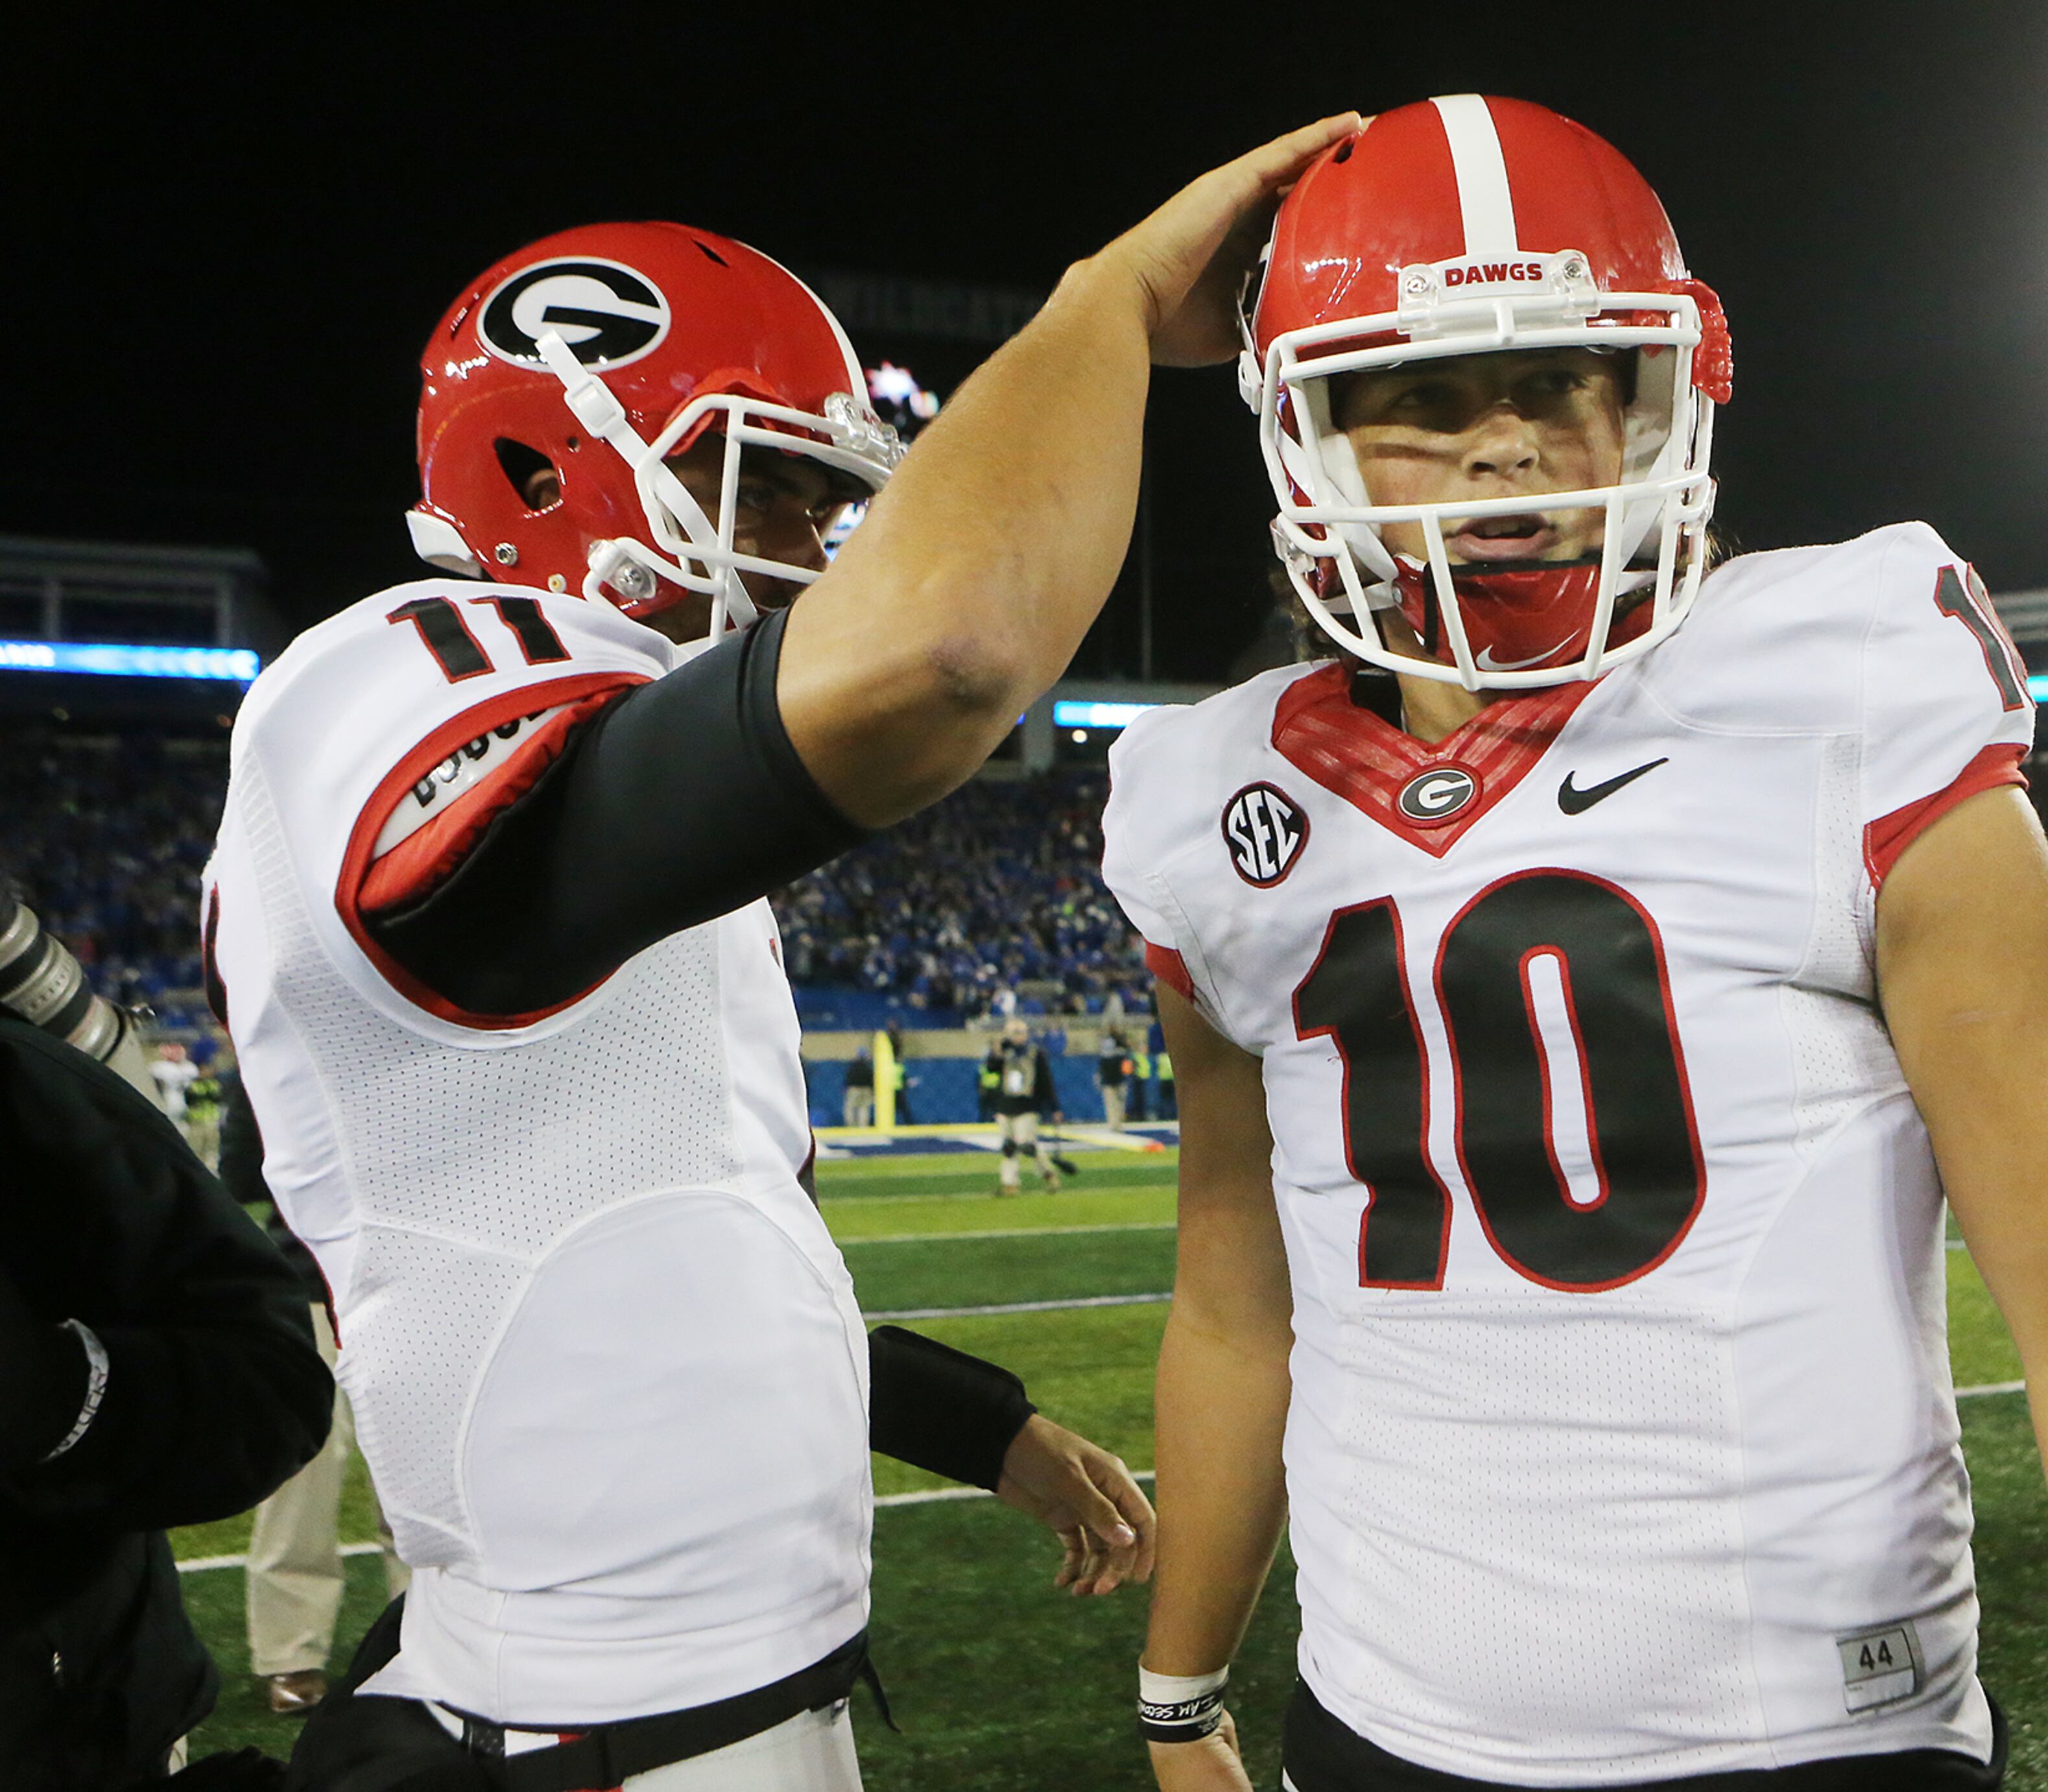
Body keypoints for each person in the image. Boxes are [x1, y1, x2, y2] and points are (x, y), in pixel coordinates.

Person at [1105, 97, 2048, 1792]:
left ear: (1663, 395)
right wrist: (1177, 1693)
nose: (1502, 449)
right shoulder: (1213, 802)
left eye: (1556, 383)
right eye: (1422, 399)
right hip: (1374, 1733)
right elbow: (1236, 1306)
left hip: (1817, 1743)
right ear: (1308, 439)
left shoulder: (1838, 680)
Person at [218, 113, 1357, 1791]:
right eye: (774, 481)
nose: (816, 543)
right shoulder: (377, 678)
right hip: (577, 1738)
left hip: (690, 1715)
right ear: (546, 469)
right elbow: (947, 651)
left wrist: (982, 1426)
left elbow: (664, 1269)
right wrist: (1101, 306)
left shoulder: (654, 860)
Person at [1, 999, 333, 1787]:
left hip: (68, 1728)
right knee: (308, 1517)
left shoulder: (27, 1091)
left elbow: (266, 1388)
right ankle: (293, 1654)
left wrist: (53, 1394)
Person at [219, 1088, 414, 1717]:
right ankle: (290, 1655)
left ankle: (424, 1638)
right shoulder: (266, 1042)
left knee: (420, 1478)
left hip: (412, 1279)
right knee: (300, 1476)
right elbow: (244, 1170)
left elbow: (241, 1171)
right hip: (313, 1283)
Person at [986, 1018, 1061, 1195]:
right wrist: (998, 1050)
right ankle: (1010, 1184)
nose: (1017, 1036)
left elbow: (1045, 1080)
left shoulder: (1036, 1053)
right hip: (1006, 1105)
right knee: (1009, 1147)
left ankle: (1048, 1173)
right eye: (1013, 1032)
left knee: (1027, 1145)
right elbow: (991, 1068)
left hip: (1028, 1106)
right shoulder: (1005, 1052)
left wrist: (1054, 1106)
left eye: (1020, 1032)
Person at [1098, 1029, 1134, 1130]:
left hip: (1111, 1082)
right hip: (1118, 1082)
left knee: (1112, 1105)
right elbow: (1126, 1070)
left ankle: (1113, 1124)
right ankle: (1117, 1124)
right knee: (1118, 1105)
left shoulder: (1105, 1057)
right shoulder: (1122, 1054)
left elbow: (1102, 1071)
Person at [842, 1047, 876, 1129]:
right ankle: (863, 1127)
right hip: (866, 1090)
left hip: (854, 1089)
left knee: (850, 1108)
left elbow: (849, 1078)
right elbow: (872, 1079)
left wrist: (846, 1087)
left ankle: (851, 1127)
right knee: (864, 1108)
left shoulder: (853, 1066)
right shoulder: (868, 1067)